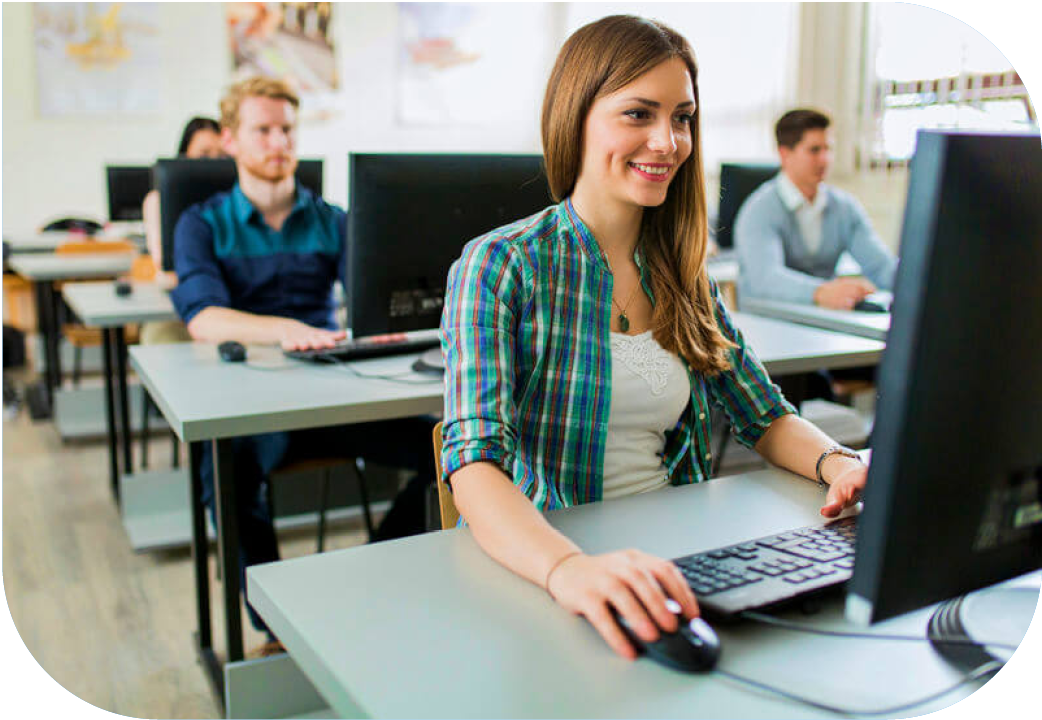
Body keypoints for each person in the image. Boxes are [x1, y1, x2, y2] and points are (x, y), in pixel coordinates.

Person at [439, 15, 867, 662]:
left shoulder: (681, 270)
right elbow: (474, 465)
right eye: (638, 114)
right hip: (552, 563)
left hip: (680, 556)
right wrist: (568, 570)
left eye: (683, 117)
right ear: (575, 116)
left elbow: (764, 415)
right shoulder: (500, 266)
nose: (667, 141)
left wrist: (841, 463)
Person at [170, 77, 436, 653]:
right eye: (262, 130)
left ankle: (362, 584)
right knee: (224, 469)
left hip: (332, 386)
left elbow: (370, 299)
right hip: (250, 395)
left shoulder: (332, 218)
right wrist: (288, 332)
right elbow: (203, 318)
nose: (278, 142)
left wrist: (381, 321)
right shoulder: (200, 223)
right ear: (232, 141)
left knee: (447, 449)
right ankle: (278, 629)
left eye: (287, 129)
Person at [735, 109, 898, 309]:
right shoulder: (759, 210)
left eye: (828, 149)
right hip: (769, 319)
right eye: (814, 150)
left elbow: (881, 266)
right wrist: (821, 292)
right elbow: (764, 278)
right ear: (785, 154)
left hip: (822, 319)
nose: (825, 159)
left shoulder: (844, 208)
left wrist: (917, 285)